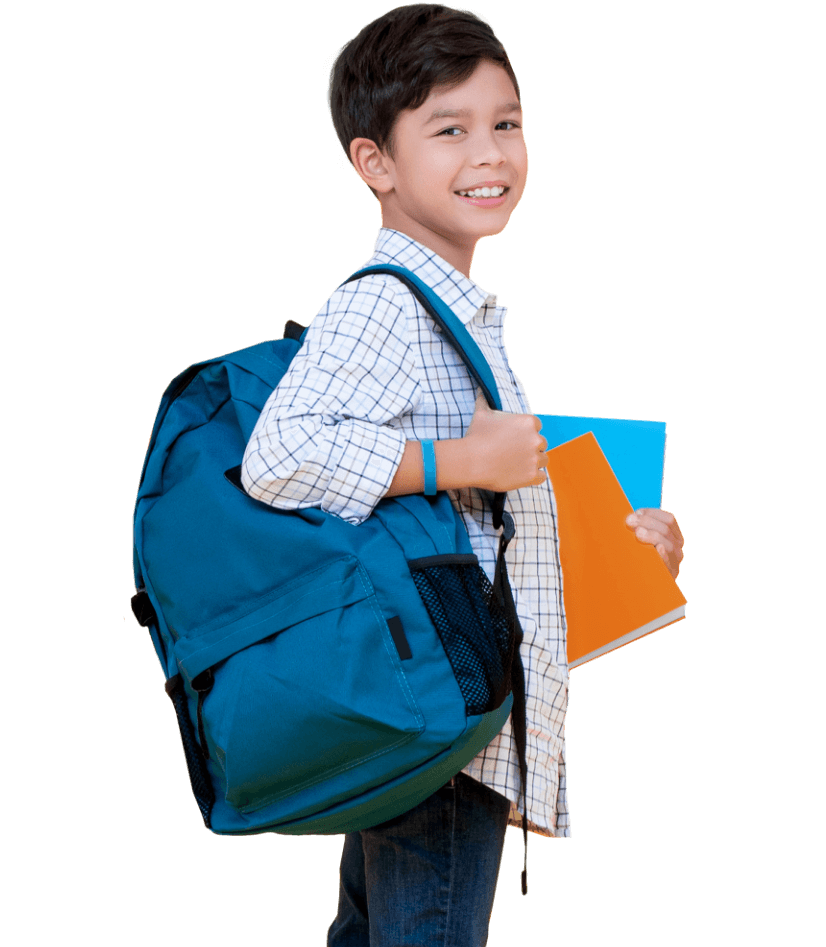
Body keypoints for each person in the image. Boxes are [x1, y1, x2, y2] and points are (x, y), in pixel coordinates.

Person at [241, 5, 685, 944]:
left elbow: (479, 537)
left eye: (506, 124)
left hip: (447, 718)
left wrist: (624, 558)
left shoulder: (459, 318)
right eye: (450, 130)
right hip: (448, 728)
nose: (489, 152)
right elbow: (279, 457)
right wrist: (457, 458)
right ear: (376, 164)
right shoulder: (384, 310)